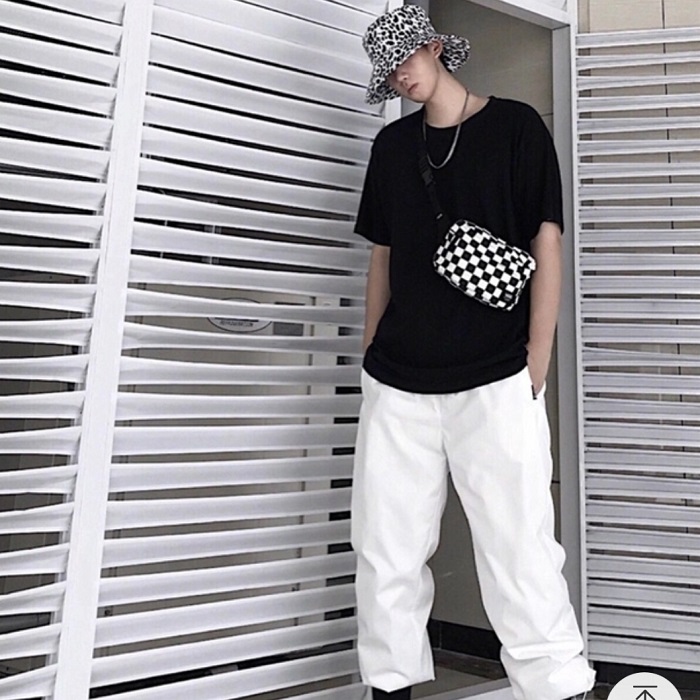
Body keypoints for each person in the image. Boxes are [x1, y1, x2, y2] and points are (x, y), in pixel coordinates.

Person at [350, 5, 597, 700]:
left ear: (435, 48)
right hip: (398, 379)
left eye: (405, 60)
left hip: (495, 373)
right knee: (385, 547)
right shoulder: (392, 147)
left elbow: (546, 241)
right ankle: (389, 685)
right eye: (389, 73)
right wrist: (370, 350)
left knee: (518, 542)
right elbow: (382, 256)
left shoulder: (516, 127)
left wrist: (537, 359)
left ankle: (557, 686)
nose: (400, 78)